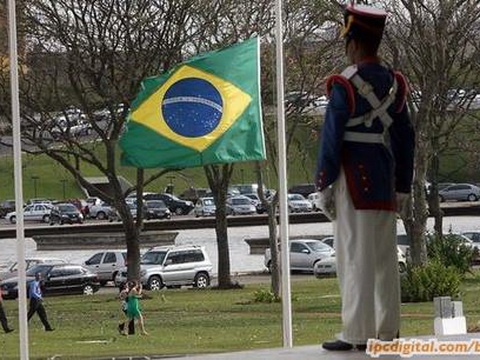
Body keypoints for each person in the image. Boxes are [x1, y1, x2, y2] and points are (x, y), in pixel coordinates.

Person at [315, 3, 415, 351]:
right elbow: (404, 137)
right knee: (385, 258)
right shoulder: (393, 82)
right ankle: (388, 330)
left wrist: (324, 181)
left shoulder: (345, 83)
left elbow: (332, 135)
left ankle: (358, 333)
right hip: (384, 175)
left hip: (352, 176)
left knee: (354, 256)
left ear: (353, 41)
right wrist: (403, 184)